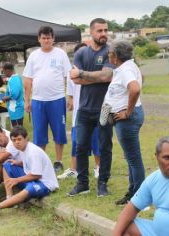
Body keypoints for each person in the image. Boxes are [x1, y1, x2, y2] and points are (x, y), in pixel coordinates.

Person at [71, 40, 145, 204]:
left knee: (133, 159)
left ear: (116, 56)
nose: (108, 55)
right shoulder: (126, 68)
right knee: (130, 157)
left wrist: (128, 111)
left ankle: (139, 198)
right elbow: (138, 82)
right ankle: (132, 194)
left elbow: (135, 88)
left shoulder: (125, 70)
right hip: (115, 114)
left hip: (126, 118)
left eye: (110, 53)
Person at [67, 18, 114, 197]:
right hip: (84, 108)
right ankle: (82, 183)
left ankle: (102, 183)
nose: (103, 34)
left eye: (105, 30)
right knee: (80, 146)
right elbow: (75, 79)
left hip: (105, 108)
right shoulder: (81, 53)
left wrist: (83, 74)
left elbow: (107, 76)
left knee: (104, 147)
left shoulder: (110, 51)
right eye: (100, 31)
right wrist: (94, 76)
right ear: (91, 32)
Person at [23, 26, 72, 172]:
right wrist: (27, 100)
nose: (46, 41)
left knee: (59, 131)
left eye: (49, 38)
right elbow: (27, 79)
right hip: (38, 101)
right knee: (39, 134)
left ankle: (58, 161)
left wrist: (71, 97)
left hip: (57, 99)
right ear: (39, 39)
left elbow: (68, 76)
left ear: (53, 39)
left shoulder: (61, 54)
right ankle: (42, 161)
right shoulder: (33, 56)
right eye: (43, 38)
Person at [0, 126, 59, 220]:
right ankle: (9, 197)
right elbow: (29, 163)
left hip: (45, 184)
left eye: (19, 139)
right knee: (7, 164)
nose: (17, 142)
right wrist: (19, 163)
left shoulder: (33, 151)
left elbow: (37, 175)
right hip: (33, 178)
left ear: (26, 138)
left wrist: (17, 180)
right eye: (14, 140)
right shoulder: (23, 149)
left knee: (29, 188)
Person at [57, 43, 100, 180]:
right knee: (77, 142)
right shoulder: (72, 74)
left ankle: (98, 167)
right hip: (79, 115)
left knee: (96, 141)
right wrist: (70, 103)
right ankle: (74, 169)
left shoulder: (95, 71)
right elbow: (71, 96)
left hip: (95, 112)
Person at [2, 62, 24, 127]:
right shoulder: (15, 78)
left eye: (4, 72)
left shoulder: (14, 79)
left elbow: (15, 94)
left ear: (7, 70)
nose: (4, 74)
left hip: (16, 108)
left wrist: (6, 98)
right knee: (17, 129)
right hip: (14, 109)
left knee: (18, 130)